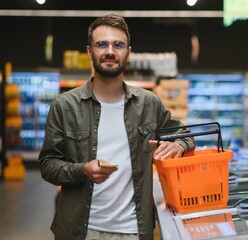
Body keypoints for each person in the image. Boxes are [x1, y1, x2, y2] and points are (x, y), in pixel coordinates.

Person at [38, 14, 195, 240]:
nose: (110, 51)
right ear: (90, 52)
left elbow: (186, 135)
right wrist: (82, 170)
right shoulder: (65, 106)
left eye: (118, 45)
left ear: (128, 53)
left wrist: (179, 145)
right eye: (102, 44)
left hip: (133, 230)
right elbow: (47, 165)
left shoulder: (148, 103)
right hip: (80, 230)